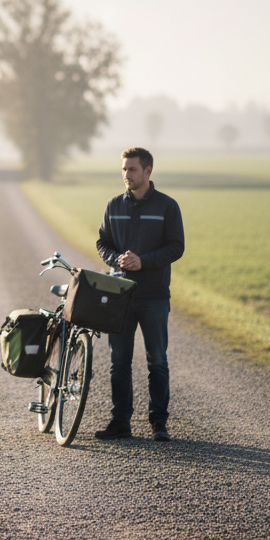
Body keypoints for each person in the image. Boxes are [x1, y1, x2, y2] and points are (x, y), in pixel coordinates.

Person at [94, 147, 184, 441]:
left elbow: (176, 247)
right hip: (119, 295)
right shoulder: (113, 206)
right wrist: (116, 259)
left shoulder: (167, 207)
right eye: (123, 169)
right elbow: (102, 243)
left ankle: (159, 424)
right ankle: (121, 423)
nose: (126, 175)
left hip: (154, 296)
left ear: (148, 171)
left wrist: (143, 261)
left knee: (156, 360)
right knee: (118, 362)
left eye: (132, 170)